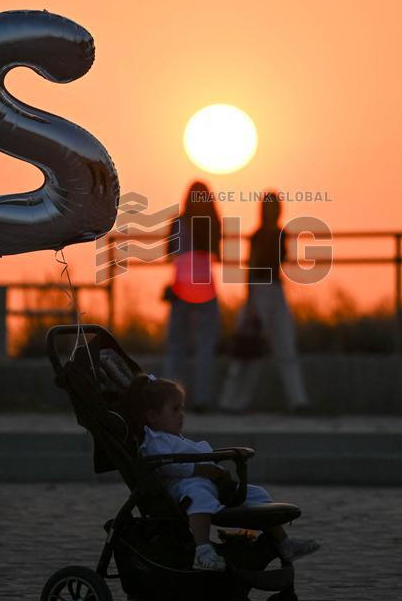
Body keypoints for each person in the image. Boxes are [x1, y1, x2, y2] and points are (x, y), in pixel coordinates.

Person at [125, 372, 320, 571]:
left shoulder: (173, 438)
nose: (181, 414)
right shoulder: (156, 441)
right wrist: (204, 469)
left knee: (256, 494)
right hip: (181, 487)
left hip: (207, 482)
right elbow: (168, 465)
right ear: (153, 416)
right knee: (198, 494)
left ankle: (283, 543)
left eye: (181, 408)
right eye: (175, 410)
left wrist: (219, 465)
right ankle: (202, 550)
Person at [219, 192, 310, 412]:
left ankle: (298, 401)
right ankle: (230, 403)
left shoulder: (281, 233)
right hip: (259, 292)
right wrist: (250, 305)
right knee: (247, 352)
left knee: (285, 346)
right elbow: (251, 270)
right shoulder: (258, 235)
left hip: (276, 291)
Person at [163, 180, 222, 410]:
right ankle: (203, 398)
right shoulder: (212, 223)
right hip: (205, 287)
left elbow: (169, 253)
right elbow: (217, 254)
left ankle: (171, 399)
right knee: (205, 346)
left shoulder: (178, 223)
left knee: (176, 345)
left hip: (181, 287)